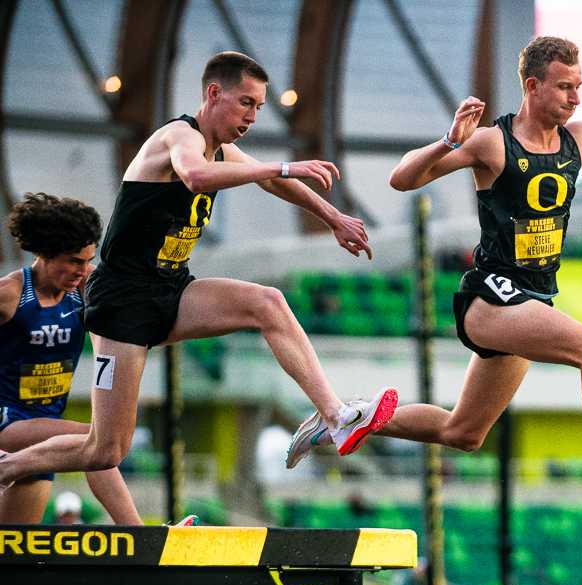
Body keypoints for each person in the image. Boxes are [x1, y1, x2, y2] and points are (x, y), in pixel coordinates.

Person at [0, 52, 397, 492]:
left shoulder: (223, 149)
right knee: (105, 450)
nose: (252, 116)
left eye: (260, 107)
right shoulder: (178, 137)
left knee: (268, 303)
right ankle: (6, 468)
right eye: (246, 102)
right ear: (213, 93)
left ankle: (334, 416)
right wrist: (283, 163)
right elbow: (196, 176)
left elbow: (270, 182)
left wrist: (333, 217)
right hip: (122, 302)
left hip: (172, 289)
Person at [360, 36, 582, 518]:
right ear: (533, 87)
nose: (575, 98)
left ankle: (353, 417)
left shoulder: (581, 138)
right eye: (564, 88)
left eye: (578, 87)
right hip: (490, 297)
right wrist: (449, 141)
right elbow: (402, 179)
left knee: (463, 433)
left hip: (531, 299)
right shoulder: (493, 142)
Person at [0, 192, 140, 525]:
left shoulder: (84, 290)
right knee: (95, 441)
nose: (84, 269)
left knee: (15, 552)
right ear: (45, 254)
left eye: (89, 260)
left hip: (45, 429)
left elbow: (108, 338)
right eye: (74, 261)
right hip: (7, 421)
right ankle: (141, 537)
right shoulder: (9, 295)